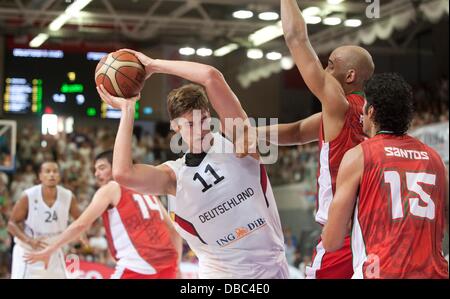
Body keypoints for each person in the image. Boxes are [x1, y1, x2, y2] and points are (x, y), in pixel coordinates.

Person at [96, 49, 289, 279]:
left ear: (210, 116)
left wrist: (154, 64)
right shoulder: (174, 176)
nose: (199, 129)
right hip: (223, 275)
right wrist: (128, 109)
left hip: (274, 267)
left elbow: (211, 77)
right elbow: (123, 174)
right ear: (175, 127)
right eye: (189, 124)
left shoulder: (239, 141)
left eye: (203, 120)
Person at [257, 0, 375, 279]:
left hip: (340, 237)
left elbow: (296, 37)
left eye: (330, 65)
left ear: (350, 75)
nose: (324, 69)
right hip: (366, 233)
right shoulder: (367, 111)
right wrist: (247, 132)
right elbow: (298, 132)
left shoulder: (337, 104)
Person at [322, 73, 449, 279]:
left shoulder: (359, 156)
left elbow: (331, 241)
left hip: (380, 273)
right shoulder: (436, 160)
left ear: (370, 112)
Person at [25, 151, 181, 279]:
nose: (96, 173)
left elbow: (81, 224)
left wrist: (50, 249)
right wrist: (177, 265)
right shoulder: (147, 190)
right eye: (95, 169)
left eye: (101, 168)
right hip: (169, 265)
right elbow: (173, 231)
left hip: (138, 265)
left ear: (116, 166)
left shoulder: (111, 187)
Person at [8, 161, 82, 278]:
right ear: (40, 176)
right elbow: (12, 224)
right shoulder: (28, 196)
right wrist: (29, 240)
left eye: (55, 171)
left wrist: (77, 237)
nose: (51, 174)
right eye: (47, 171)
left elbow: (81, 221)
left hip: (53, 250)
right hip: (29, 250)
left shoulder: (68, 196)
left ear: (59, 176)